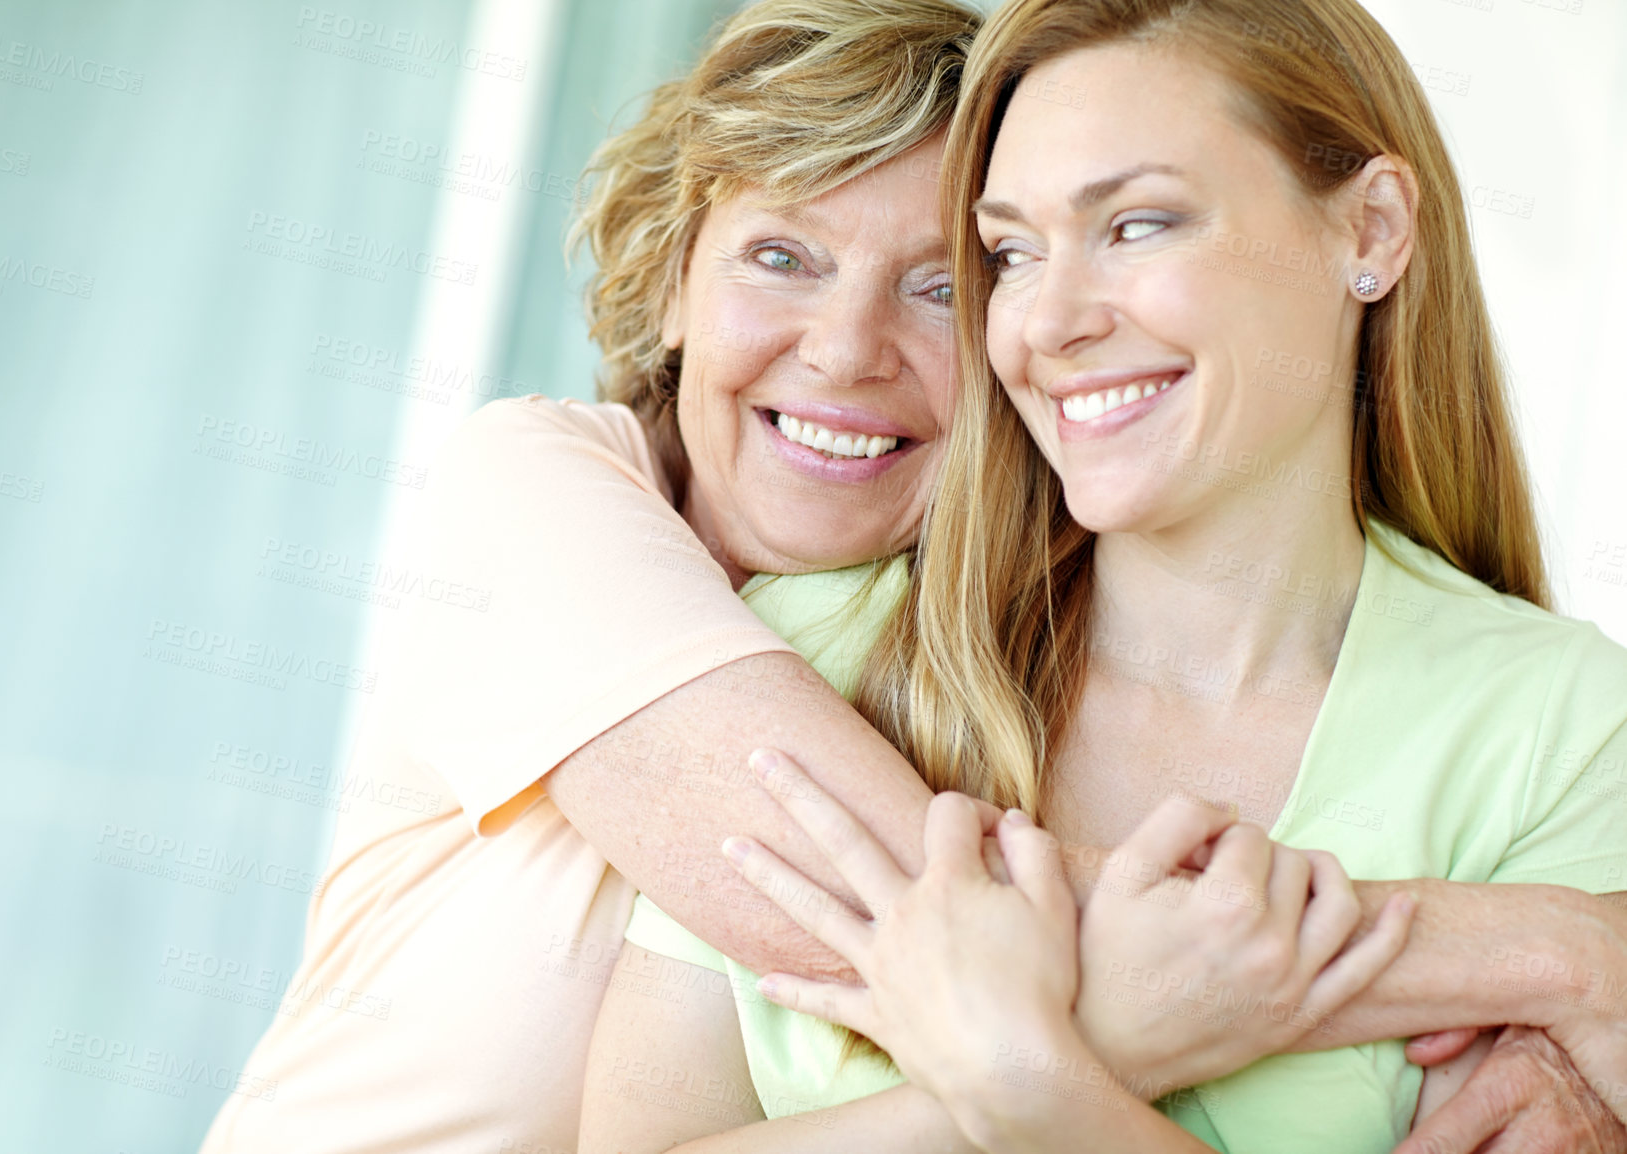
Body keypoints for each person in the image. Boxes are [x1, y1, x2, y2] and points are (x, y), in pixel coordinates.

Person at [199, 1, 1624, 1151]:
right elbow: (930, 920)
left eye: (945, 280)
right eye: (778, 256)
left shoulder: (1553, 724)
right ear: (673, 269)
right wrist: (1563, 954)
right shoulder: (549, 503)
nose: (842, 349)